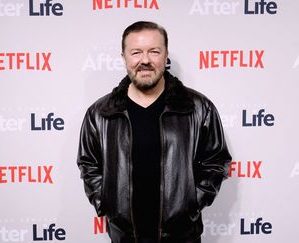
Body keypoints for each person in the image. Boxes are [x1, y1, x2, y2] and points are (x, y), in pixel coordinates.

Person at [76, 21, 232, 243]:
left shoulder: (198, 107)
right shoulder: (101, 113)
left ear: (165, 55)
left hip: (182, 236)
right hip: (125, 237)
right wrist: (107, 204)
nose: (145, 60)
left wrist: (190, 206)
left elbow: (216, 162)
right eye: (136, 52)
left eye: (154, 51)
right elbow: (89, 164)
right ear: (124, 58)